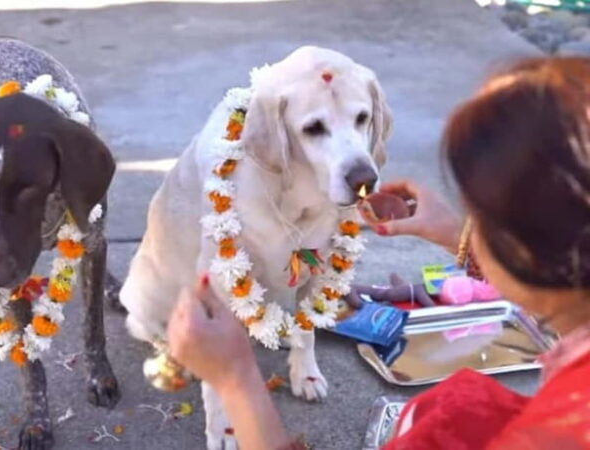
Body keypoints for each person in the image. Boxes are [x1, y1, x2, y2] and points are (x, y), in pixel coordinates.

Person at [167, 57, 590, 449]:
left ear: (534, 253)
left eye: (479, 217)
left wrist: (237, 380)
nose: (471, 229)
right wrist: (456, 235)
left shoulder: (563, 428)